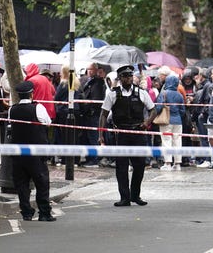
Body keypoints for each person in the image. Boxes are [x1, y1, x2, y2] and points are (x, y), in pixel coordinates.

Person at [98, 65, 157, 207]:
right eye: (125, 76)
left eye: (130, 76)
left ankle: (135, 195)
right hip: (122, 134)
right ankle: (124, 197)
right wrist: (101, 134)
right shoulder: (112, 94)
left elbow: (153, 110)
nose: (128, 78)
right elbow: (103, 115)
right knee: (121, 167)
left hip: (138, 133)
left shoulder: (141, 92)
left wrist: (147, 122)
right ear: (120, 79)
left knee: (140, 166)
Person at [8, 81, 56, 222]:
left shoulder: (12, 109)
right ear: (31, 93)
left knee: (21, 184)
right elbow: (47, 122)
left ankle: (26, 212)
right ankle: (44, 213)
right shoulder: (38, 107)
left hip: (18, 153)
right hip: (36, 152)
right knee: (41, 183)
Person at [79, 63, 107, 167]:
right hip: (87, 114)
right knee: (87, 137)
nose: (89, 71)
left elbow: (96, 100)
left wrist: (87, 106)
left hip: (93, 114)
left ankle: (94, 159)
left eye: (91, 69)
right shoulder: (88, 81)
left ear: (96, 70)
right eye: (88, 69)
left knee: (93, 137)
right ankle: (89, 158)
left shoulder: (98, 82)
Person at [155, 75, 185, 171]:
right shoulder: (179, 95)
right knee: (177, 141)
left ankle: (168, 163)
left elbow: (159, 108)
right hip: (178, 121)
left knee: (166, 141)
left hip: (166, 121)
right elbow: (183, 110)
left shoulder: (164, 93)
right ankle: (178, 164)